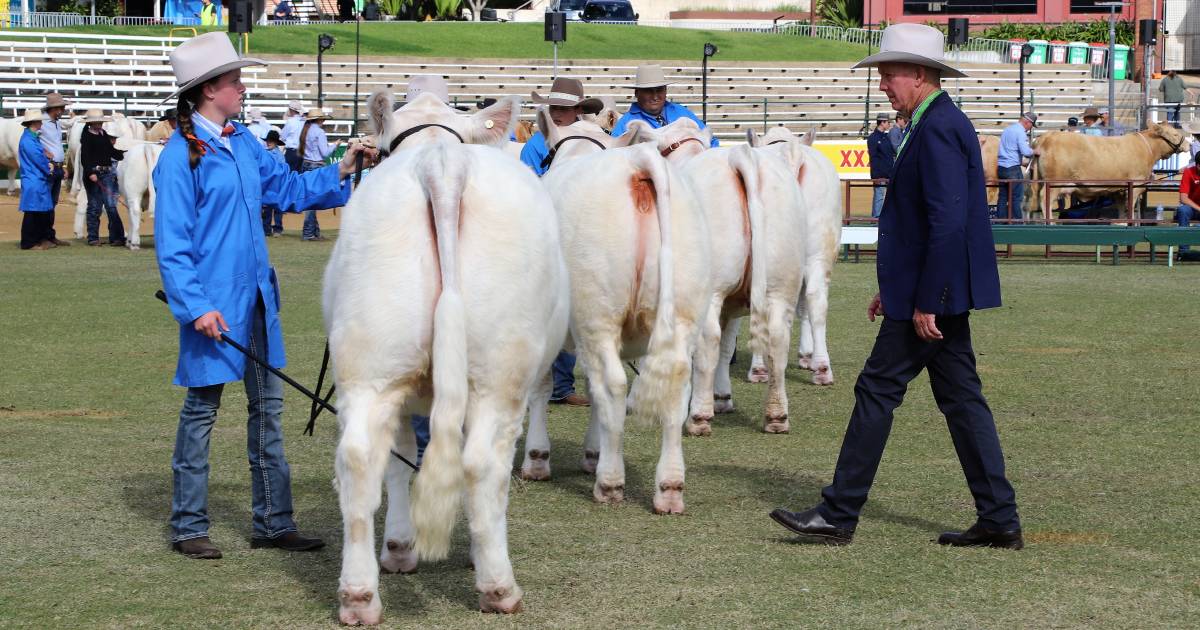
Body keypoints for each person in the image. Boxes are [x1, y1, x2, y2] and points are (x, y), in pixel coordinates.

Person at [769, 23, 1021, 550]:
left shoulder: (938, 128)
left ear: (920, 74)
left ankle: (839, 513)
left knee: (878, 390)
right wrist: (901, 289)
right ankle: (998, 519)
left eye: (889, 74)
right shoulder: (933, 124)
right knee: (961, 401)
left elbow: (948, 224)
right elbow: (927, 225)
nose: (882, 84)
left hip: (933, 300)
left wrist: (927, 299)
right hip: (929, 294)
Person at [152, 32, 377, 560]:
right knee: (202, 413)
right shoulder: (179, 156)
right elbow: (173, 243)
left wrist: (342, 168)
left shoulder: (245, 142)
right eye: (235, 81)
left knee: (268, 413)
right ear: (209, 90)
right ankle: (189, 526)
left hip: (256, 301)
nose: (242, 87)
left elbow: (292, 191)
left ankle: (274, 522)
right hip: (213, 309)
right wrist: (194, 307)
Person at [520, 77, 602, 407]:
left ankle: (562, 385)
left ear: (579, 111)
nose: (557, 115)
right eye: (554, 109)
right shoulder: (537, 145)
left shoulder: (596, 141)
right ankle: (547, 383)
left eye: (564, 110)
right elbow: (526, 185)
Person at [610, 64, 719, 146]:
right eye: (649, 91)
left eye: (659, 90)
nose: (655, 96)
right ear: (637, 93)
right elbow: (614, 154)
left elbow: (710, 140)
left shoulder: (681, 112)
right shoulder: (626, 124)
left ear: (666, 91)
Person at [79, 109, 127, 247]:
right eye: (97, 121)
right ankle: (93, 237)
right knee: (95, 207)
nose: (99, 123)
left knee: (111, 206)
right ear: (91, 123)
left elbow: (111, 151)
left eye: (100, 121)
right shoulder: (87, 137)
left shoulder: (103, 134)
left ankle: (117, 237)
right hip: (94, 173)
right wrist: (90, 172)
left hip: (106, 173)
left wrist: (122, 154)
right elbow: (85, 157)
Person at [17, 109, 56, 251]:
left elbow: (39, 155)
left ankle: (38, 239)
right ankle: (28, 242)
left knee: (38, 212)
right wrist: (48, 167)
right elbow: (37, 159)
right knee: (32, 213)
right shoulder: (28, 140)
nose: (41, 123)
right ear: (34, 123)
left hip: (36, 179)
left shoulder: (31, 138)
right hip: (34, 179)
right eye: (39, 121)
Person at [297, 108, 337, 241]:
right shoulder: (319, 132)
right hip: (316, 165)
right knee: (313, 200)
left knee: (311, 199)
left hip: (306, 164)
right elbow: (325, 153)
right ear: (319, 119)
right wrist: (335, 145)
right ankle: (309, 233)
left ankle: (314, 232)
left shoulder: (306, 130)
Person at [40, 92, 71, 247]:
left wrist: (63, 165)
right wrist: (45, 153)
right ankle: (43, 236)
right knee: (46, 203)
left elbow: (57, 146)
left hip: (57, 166)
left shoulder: (56, 123)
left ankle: (49, 235)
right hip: (49, 167)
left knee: (52, 203)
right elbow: (33, 140)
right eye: (62, 107)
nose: (64, 110)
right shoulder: (42, 123)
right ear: (56, 108)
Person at [996, 112, 1038, 223]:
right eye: (1031, 126)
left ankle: (1000, 222)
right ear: (1028, 122)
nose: (1030, 129)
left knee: (1003, 196)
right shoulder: (1020, 132)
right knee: (1016, 197)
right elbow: (1025, 151)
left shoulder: (1007, 130)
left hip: (1001, 167)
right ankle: (1016, 223)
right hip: (1013, 168)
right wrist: (1035, 151)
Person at [866, 112, 895, 218]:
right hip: (880, 174)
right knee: (879, 197)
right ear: (882, 123)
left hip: (887, 173)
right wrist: (876, 175)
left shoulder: (884, 137)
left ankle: (880, 218)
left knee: (884, 197)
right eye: (888, 122)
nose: (889, 125)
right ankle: (875, 219)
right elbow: (873, 158)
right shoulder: (873, 138)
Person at [261, 129, 285, 237]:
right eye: (268, 140)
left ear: (275, 142)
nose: (268, 142)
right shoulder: (269, 153)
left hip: (274, 182)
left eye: (271, 141)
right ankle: (272, 229)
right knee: (270, 207)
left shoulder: (276, 155)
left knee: (273, 207)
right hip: (271, 183)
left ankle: (273, 229)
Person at [1175, 159, 1200, 261]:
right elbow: (1183, 198)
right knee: (1182, 210)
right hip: (1192, 208)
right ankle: (1183, 252)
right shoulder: (1188, 171)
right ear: (1198, 165)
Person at [279, 100, 305, 171]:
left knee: (290, 173)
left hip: (292, 151)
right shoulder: (304, 121)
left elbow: (283, 136)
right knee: (299, 173)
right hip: (302, 151)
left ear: (291, 110)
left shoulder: (290, 121)